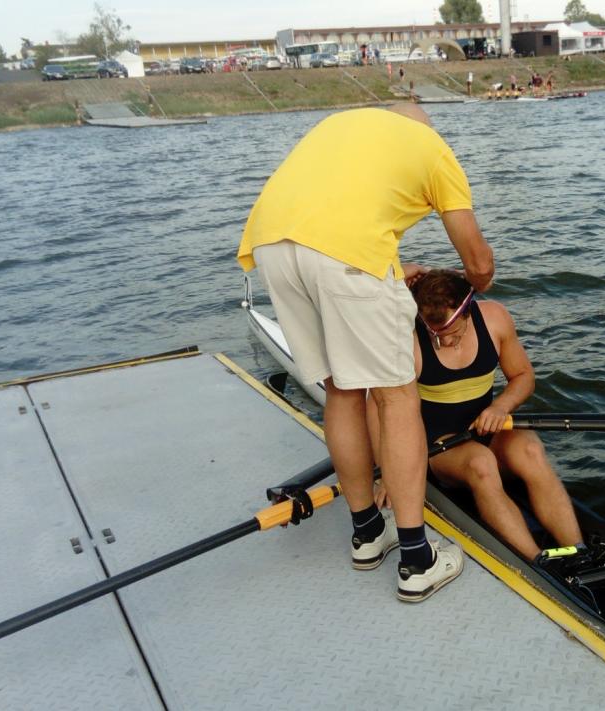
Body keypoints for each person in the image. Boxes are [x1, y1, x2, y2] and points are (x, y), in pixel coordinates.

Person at [236, 105, 494, 603]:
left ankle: (369, 533)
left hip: (271, 246)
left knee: (341, 389)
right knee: (396, 398)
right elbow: (477, 261)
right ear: (424, 128)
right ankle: (417, 560)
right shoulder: (431, 147)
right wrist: (469, 288)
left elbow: (339, 215)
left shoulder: (342, 125)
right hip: (344, 258)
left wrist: (391, 269)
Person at [370, 270, 585, 561]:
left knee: (531, 450)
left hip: (486, 428)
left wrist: (500, 407)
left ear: (468, 310)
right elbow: (377, 407)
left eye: (452, 332)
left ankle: (578, 551)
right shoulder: (407, 340)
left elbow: (523, 376)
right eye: (436, 334)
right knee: (482, 464)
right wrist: (387, 472)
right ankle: (539, 563)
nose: (445, 341)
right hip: (439, 445)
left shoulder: (494, 318)